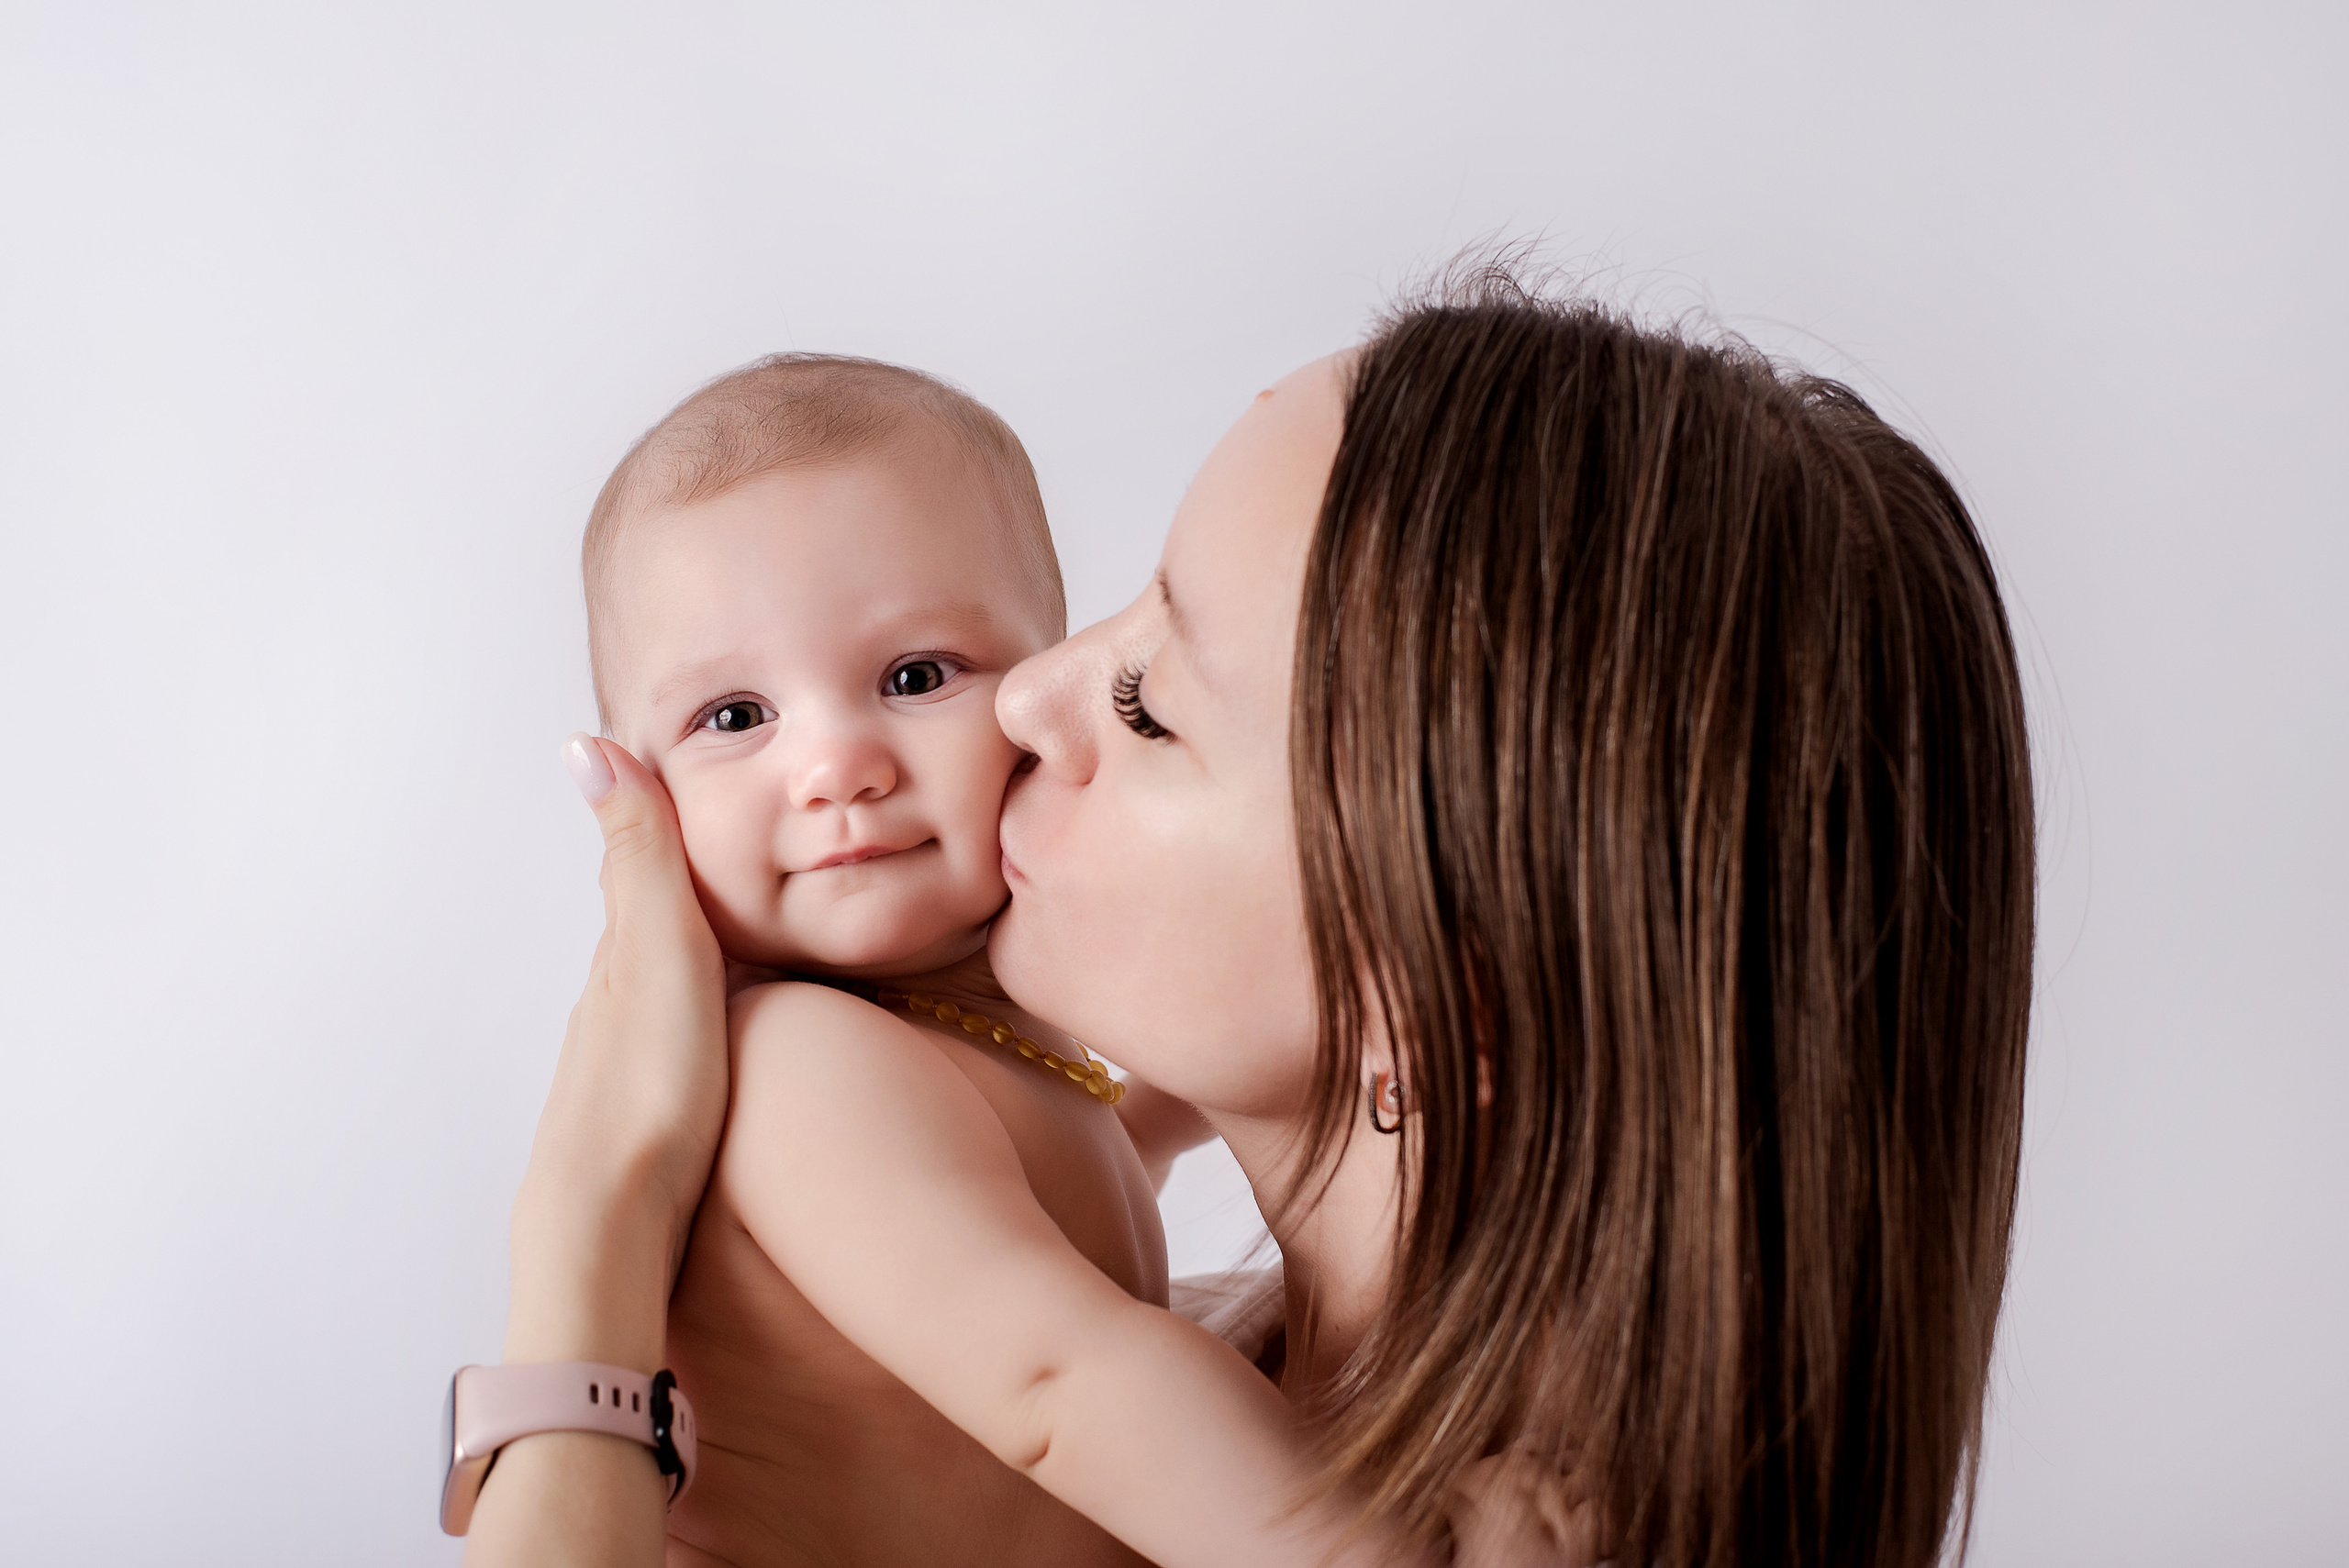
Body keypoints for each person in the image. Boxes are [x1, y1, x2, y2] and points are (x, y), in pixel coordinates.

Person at [464, 267, 2034, 1568]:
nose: (1031, 691)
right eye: (1127, 605)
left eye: (1151, 700)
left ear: (1427, 1009)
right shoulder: (1230, 1373)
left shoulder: (1301, 1491)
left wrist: (593, 1231)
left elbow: (1069, 1353)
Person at [544, 350, 1419, 1568]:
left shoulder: (972, 1028)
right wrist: (1365, 1549)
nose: (837, 763)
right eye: (735, 716)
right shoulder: (802, 1061)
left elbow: (1092, 1151)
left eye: (915, 676)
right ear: (638, 786)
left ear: (1040, 673)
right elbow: (1062, 1380)